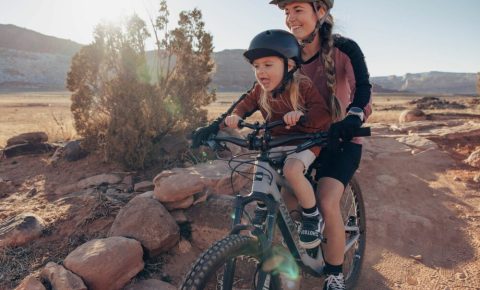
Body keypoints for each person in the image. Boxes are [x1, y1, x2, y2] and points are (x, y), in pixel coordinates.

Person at [193, 29, 332, 249]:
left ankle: (311, 215)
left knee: (292, 170)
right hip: (275, 142)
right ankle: (261, 205)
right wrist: (235, 117)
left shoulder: (303, 85)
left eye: (268, 65)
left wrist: (302, 117)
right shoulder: (260, 91)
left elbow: (323, 114)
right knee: (260, 164)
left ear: (290, 65)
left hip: (305, 141)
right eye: (256, 66)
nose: (261, 72)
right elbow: (243, 105)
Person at [269, 0, 372, 289]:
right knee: (287, 200)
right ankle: (302, 251)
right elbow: (266, 88)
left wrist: (354, 115)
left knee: (327, 202)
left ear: (321, 12)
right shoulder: (287, 54)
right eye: (286, 12)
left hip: (341, 140)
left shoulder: (345, 49)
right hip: (305, 140)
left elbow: (362, 87)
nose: (290, 18)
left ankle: (335, 274)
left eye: (297, 9)